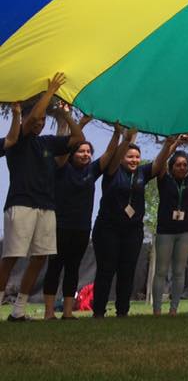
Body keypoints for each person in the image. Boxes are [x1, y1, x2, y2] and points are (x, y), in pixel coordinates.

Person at [0, 75, 85, 321]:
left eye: (43, 121)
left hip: (47, 207)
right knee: (11, 258)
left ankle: (18, 311)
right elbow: (32, 118)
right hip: (21, 204)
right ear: (26, 119)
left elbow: (78, 139)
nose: (39, 123)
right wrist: (51, 91)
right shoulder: (17, 141)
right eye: (36, 120)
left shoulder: (47, 142)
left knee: (40, 258)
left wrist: (66, 116)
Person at [43, 117, 116, 320]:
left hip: (82, 228)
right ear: (72, 153)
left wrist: (118, 133)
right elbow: (63, 147)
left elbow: (109, 154)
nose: (85, 154)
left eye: (88, 152)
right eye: (80, 151)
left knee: (73, 269)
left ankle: (67, 312)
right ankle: (49, 313)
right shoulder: (62, 167)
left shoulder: (92, 170)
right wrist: (79, 125)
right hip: (60, 226)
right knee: (54, 268)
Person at [91, 126, 161, 318]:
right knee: (106, 270)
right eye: (130, 157)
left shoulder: (142, 173)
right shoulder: (112, 171)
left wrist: (170, 144)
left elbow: (159, 163)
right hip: (108, 229)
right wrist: (125, 138)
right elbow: (114, 154)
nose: (134, 160)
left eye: (137, 157)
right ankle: (98, 311)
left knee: (127, 270)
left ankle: (123, 311)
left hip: (132, 231)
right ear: (121, 158)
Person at [151, 134, 188, 316]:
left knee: (179, 271)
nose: (182, 167)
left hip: (185, 233)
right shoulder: (164, 179)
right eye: (178, 165)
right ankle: (157, 310)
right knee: (161, 271)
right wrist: (173, 144)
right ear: (172, 168)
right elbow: (161, 160)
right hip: (165, 232)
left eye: (184, 165)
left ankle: (174, 309)